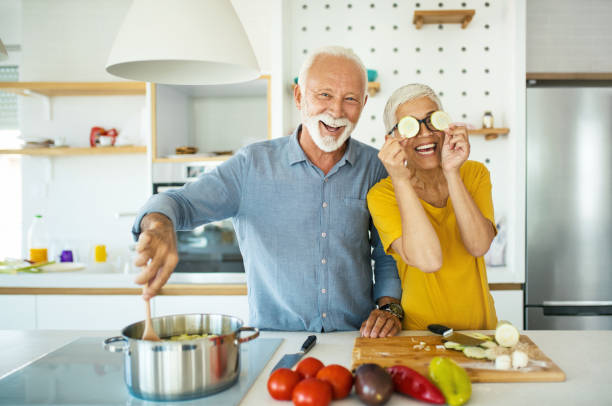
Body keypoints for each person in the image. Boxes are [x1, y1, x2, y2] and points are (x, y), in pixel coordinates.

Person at [132, 46, 403, 337]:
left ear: (363, 104)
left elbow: (387, 253)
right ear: (299, 96)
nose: (336, 111)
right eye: (324, 95)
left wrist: (389, 308)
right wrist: (159, 224)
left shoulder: (377, 167)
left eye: (350, 99)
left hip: (357, 338)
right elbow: (178, 203)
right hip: (275, 340)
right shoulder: (252, 165)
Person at [367, 83, 498, 331]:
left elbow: (479, 245)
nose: (425, 133)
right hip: (419, 336)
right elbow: (429, 260)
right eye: (410, 125)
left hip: (481, 330)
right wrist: (400, 179)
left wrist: (452, 172)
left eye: (432, 121)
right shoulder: (383, 195)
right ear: (392, 141)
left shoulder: (474, 174)